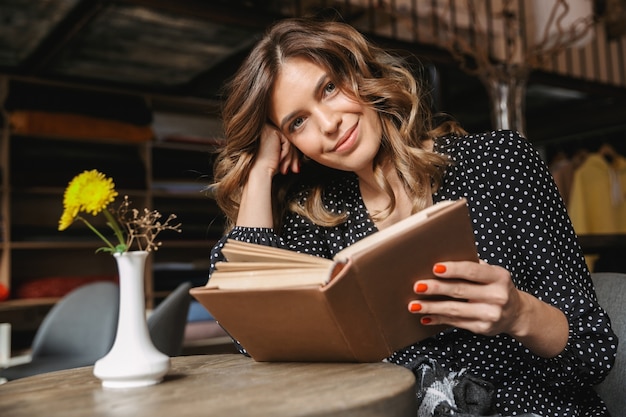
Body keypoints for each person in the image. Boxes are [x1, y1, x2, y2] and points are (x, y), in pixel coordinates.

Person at [207, 16, 617, 417]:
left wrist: (519, 314)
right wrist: (260, 172)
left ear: (360, 74)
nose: (328, 124)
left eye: (329, 88)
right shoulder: (320, 214)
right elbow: (252, 328)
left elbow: (592, 349)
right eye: (298, 122)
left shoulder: (498, 162)